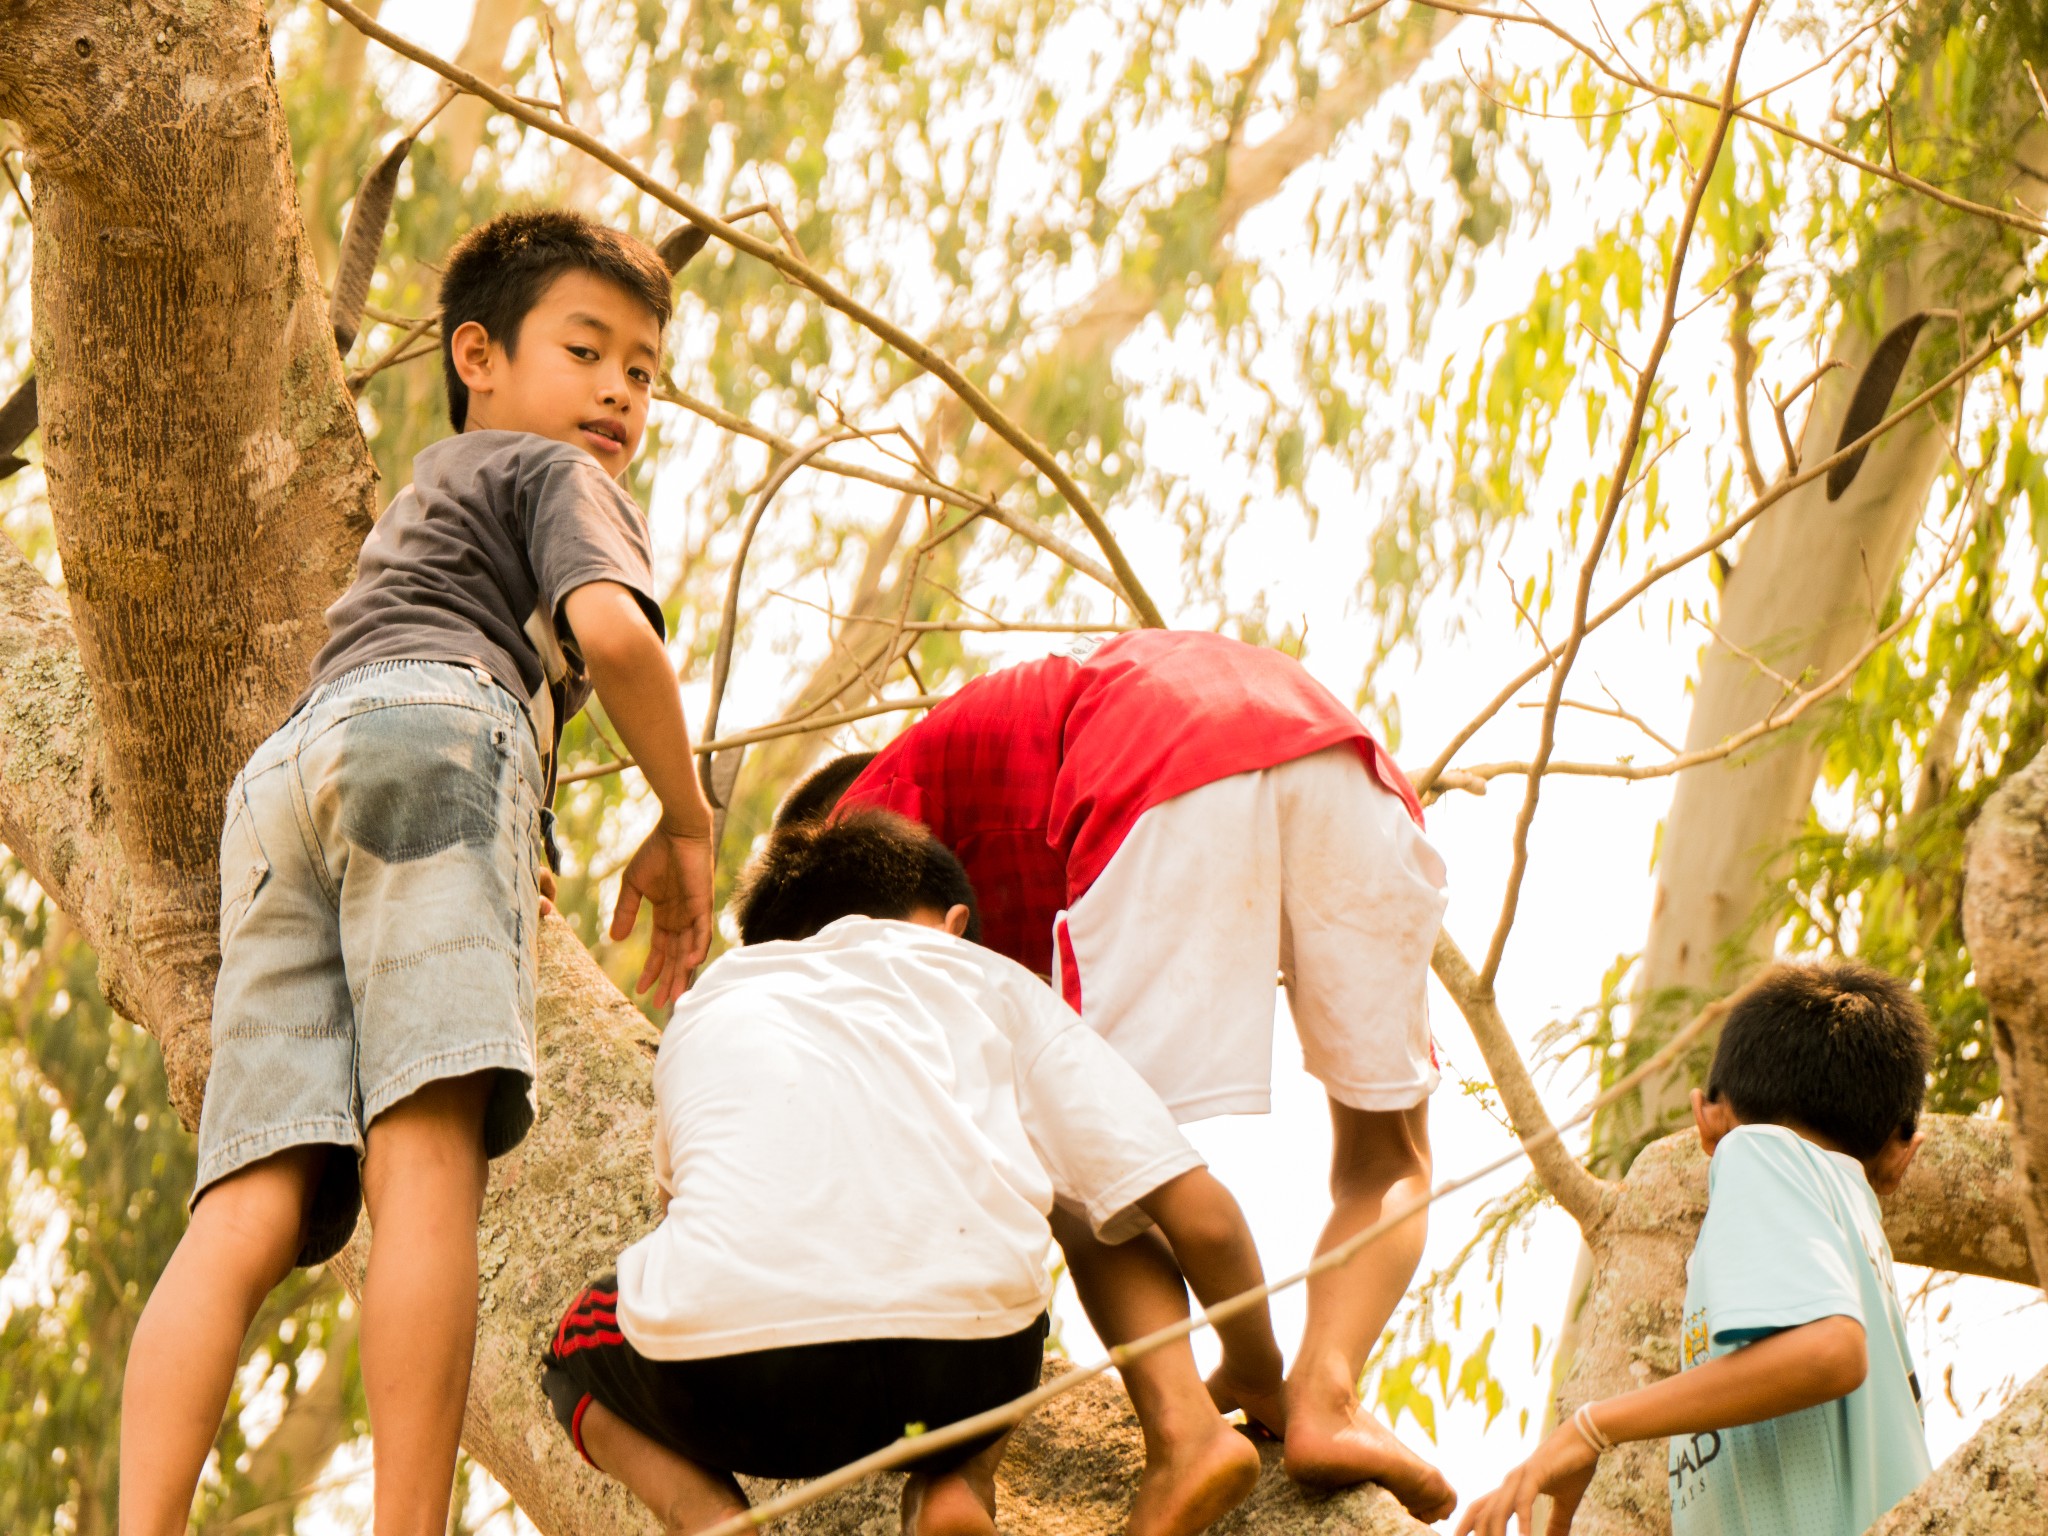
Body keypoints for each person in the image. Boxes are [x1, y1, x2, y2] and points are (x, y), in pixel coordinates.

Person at [119, 210, 716, 1536]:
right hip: (439, 734)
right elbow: (609, 639)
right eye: (588, 348)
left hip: (285, 787)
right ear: (477, 354)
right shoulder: (560, 479)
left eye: (646, 371)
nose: (620, 388)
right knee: (427, 1157)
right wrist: (688, 816)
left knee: (249, 1201)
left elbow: (405, 705)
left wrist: (526, 847)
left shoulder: (434, 499)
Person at [778, 629, 1454, 1522]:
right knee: (1391, 1156)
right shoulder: (978, 819)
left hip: (1155, 765)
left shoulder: (858, 830)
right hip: (1351, 770)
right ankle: (1326, 1396)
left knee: (1088, 1170)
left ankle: (1183, 1433)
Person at [542, 810, 1287, 1536]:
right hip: (968, 1374)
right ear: (952, 922)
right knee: (1046, 1223)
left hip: (739, 1388)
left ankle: (707, 1517)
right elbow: (1202, 1216)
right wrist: (1256, 1371)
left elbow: (680, 1217)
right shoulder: (980, 975)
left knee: (574, 1351)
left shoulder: (716, 996)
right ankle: (955, 1490)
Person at [1455, 960, 1936, 1536]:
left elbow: (1829, 1350)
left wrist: (1588, 1429)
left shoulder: (1758, 1151)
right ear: (1901, 1153)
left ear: (1708, 1115)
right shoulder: (1857, 1231)